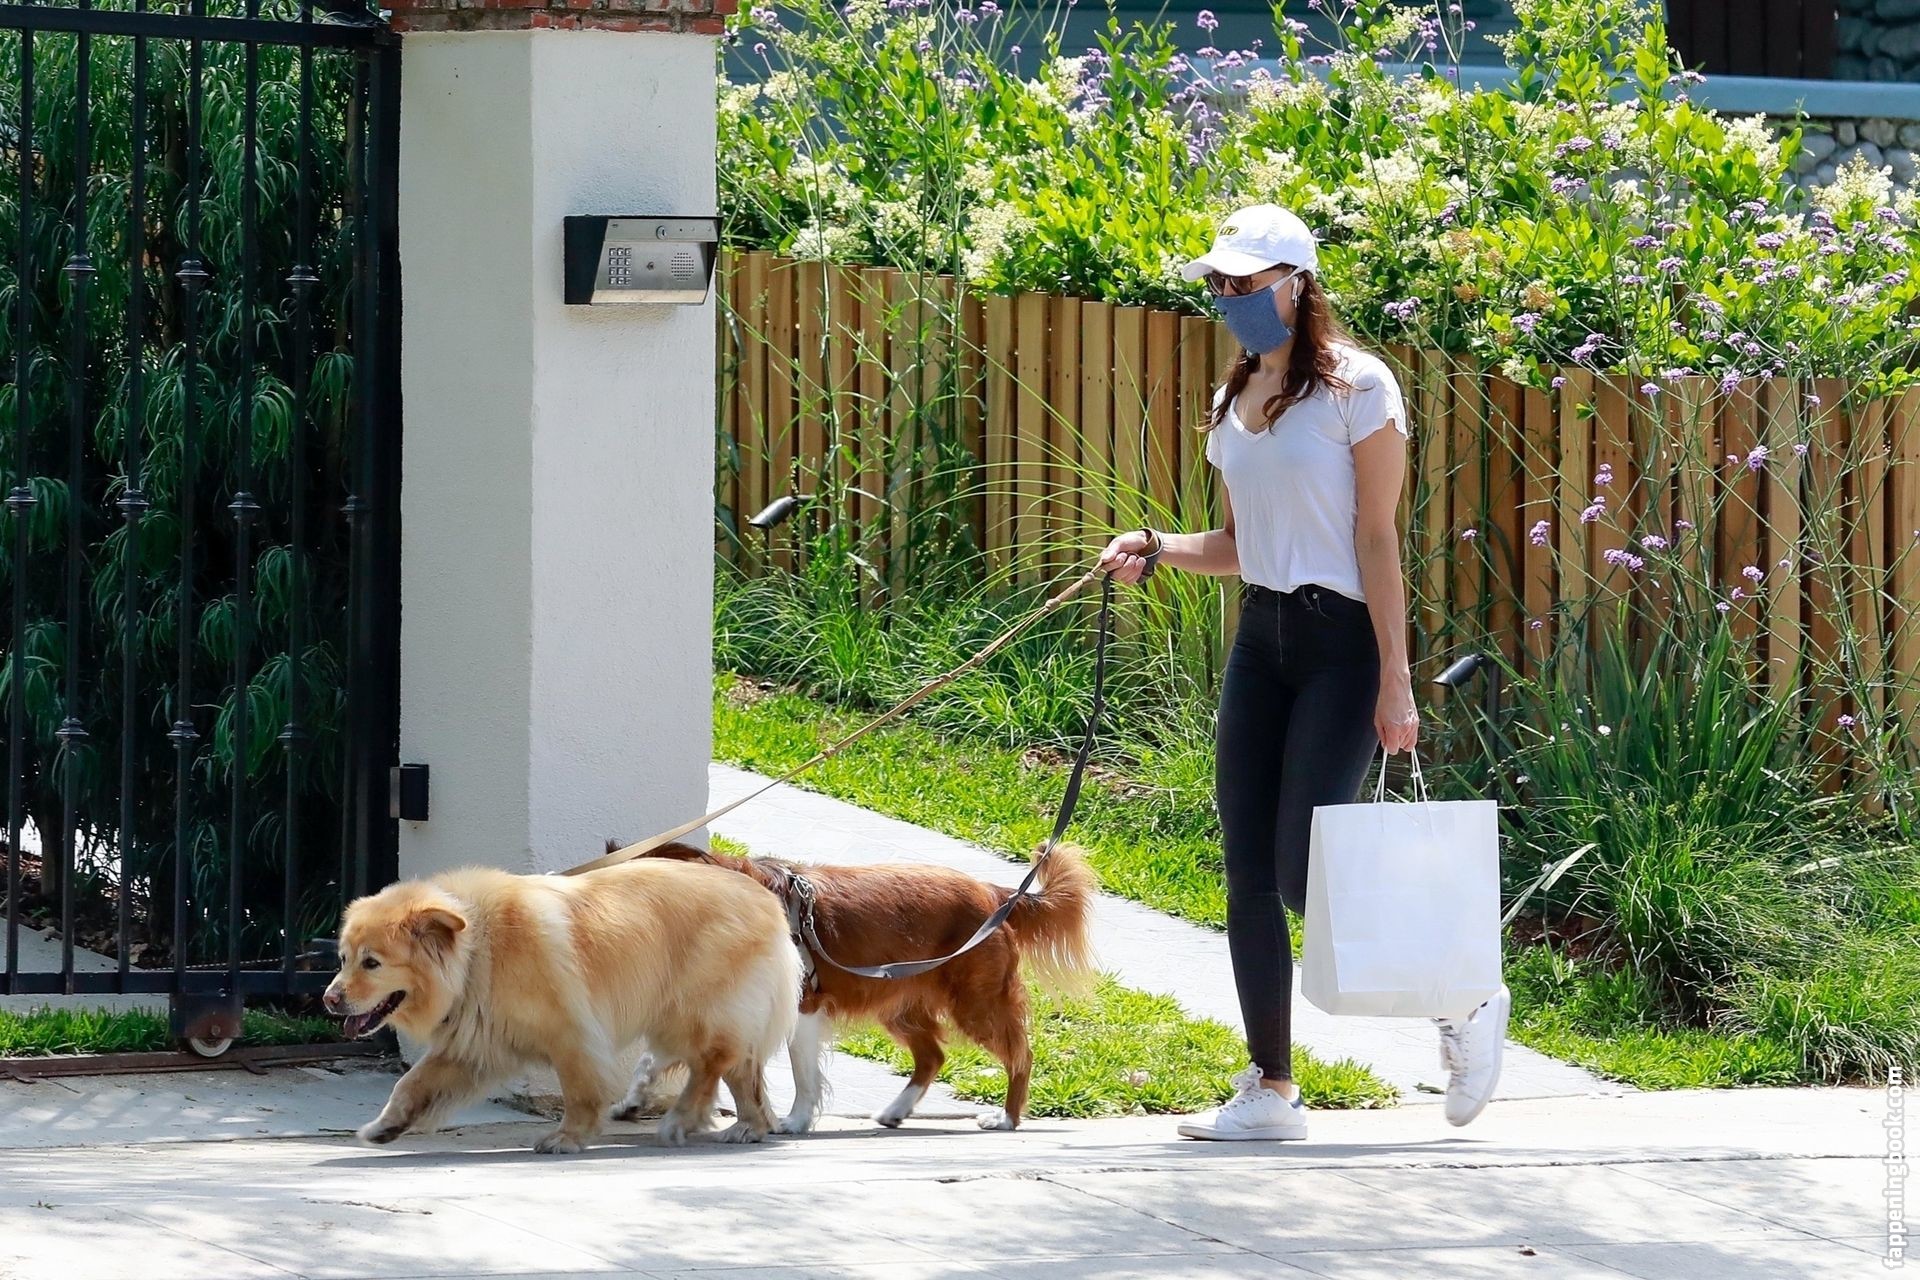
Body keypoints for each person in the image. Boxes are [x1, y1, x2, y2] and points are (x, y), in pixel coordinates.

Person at [1097, 204, 1510, 1141]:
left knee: (1298, 870)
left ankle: (1464, 995)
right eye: (1219, 282)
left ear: (1296, 284)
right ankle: (1272, 1089)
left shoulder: (1361, 387)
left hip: (1341, 645)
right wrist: (1156, 544)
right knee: (1245, 868)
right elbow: (1240, 545)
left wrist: (1395, 679)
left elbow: (1376, 539)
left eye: (1245, 282)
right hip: (1263, 637)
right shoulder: (1233, 400)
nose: (1228, 296)